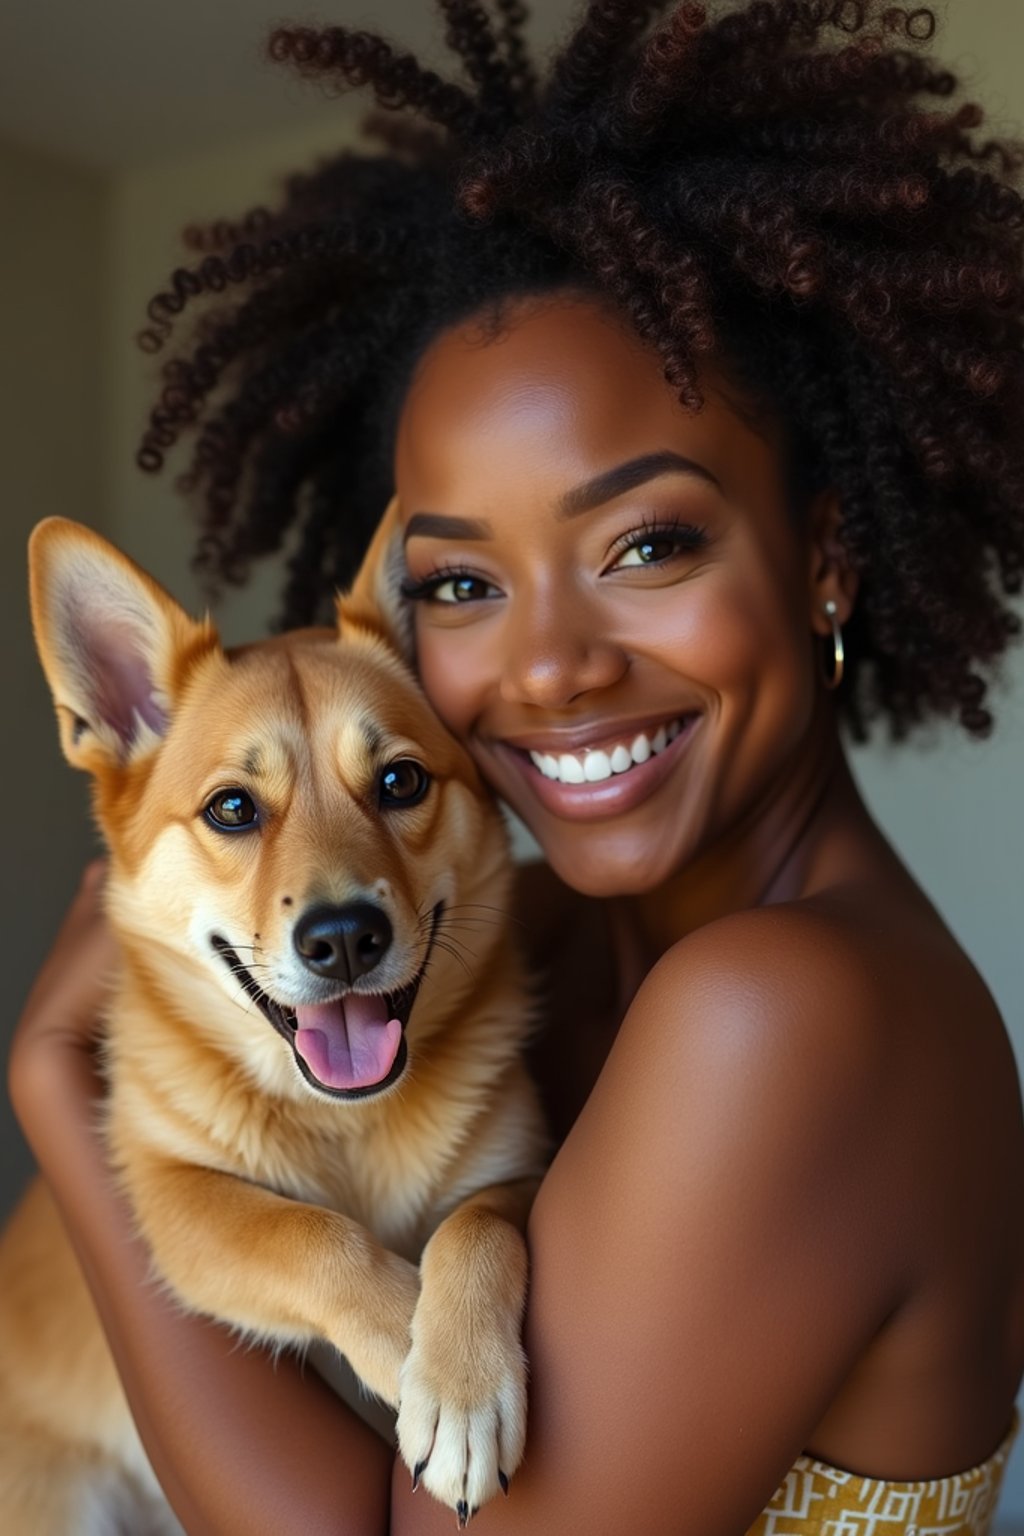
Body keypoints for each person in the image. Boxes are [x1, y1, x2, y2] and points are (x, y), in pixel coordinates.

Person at [10, 1, 1024, 1532]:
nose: (544, 668)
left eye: (648, 543)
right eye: (466, 586)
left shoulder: (776, 1018)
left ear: (825, 558)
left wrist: (53, 1101)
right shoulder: (533, 945)